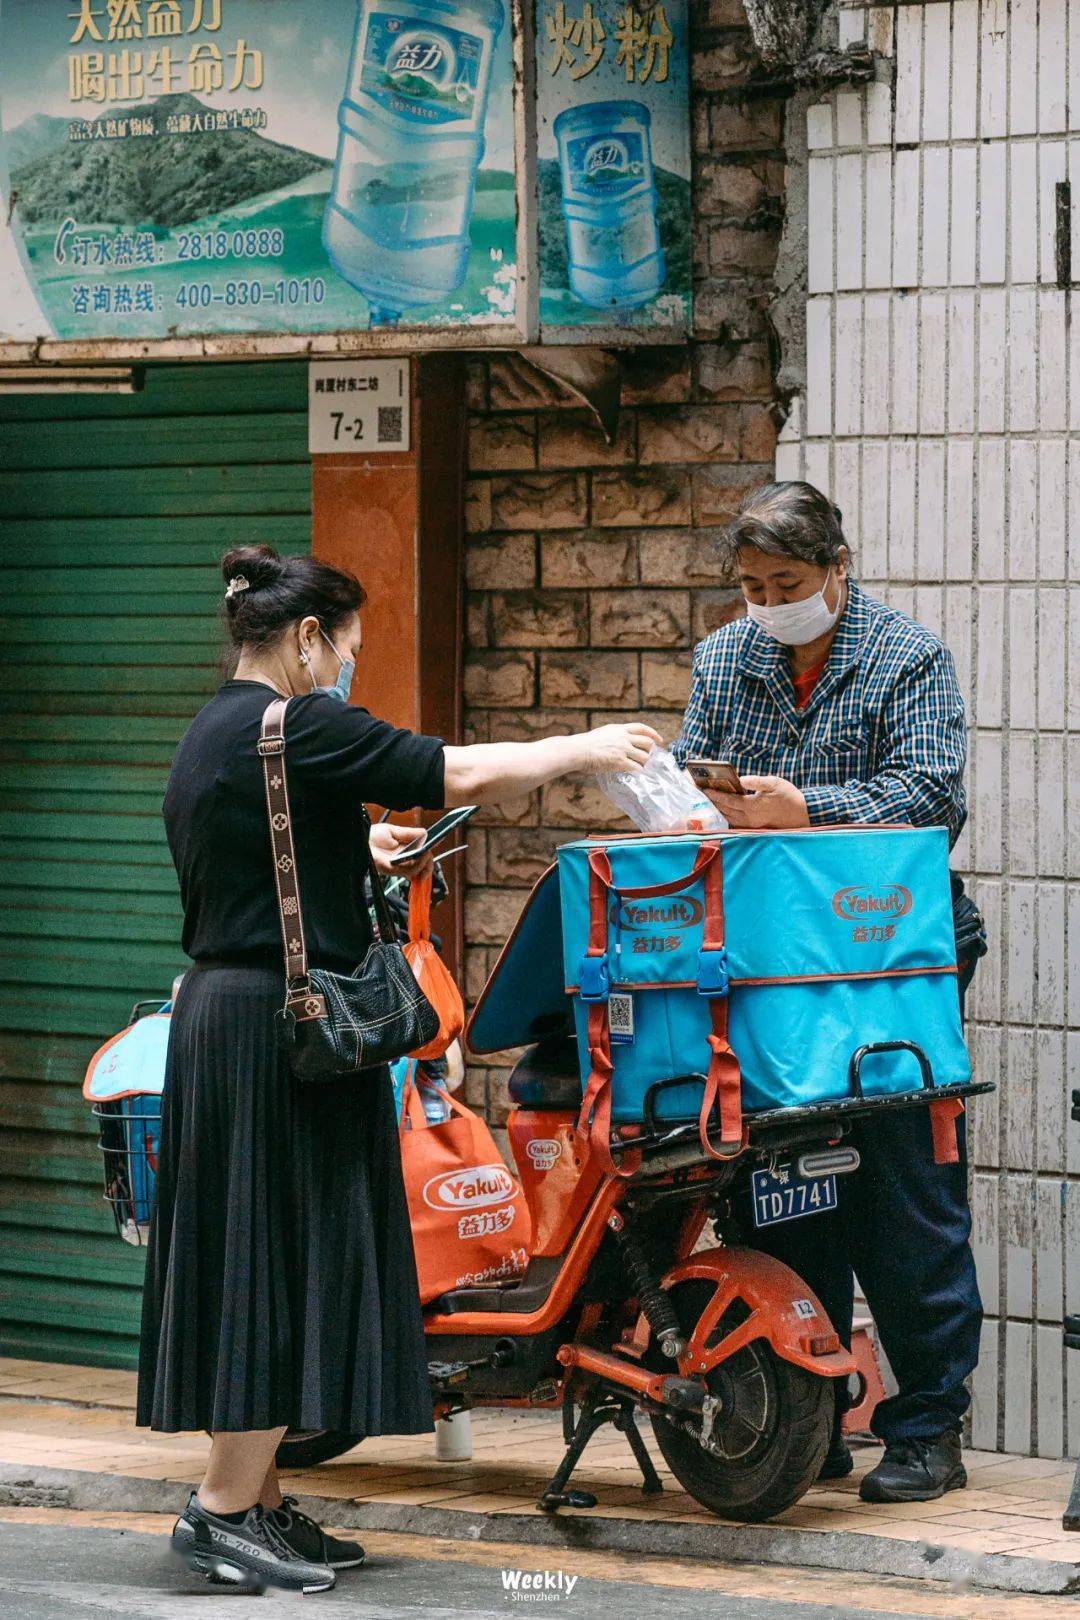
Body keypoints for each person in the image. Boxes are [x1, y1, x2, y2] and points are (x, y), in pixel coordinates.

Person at [138, 544, 659, 1594]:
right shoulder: (302, 724)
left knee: (267, 1252)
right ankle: (221, 1512)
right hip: (280, 1038)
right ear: (304, 640)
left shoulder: (214, 731)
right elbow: (453, 771)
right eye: (348, 650)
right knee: (275, 1259)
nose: (348, 671)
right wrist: (583, 744)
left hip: (231, 1022)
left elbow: (249, 851)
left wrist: (351, 851)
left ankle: (263, 1501)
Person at [673, 481, 984, 1507]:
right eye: (754, 587)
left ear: (838, 569)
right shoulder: (724, 660)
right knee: (782, 1188)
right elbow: (689, 784)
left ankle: (927, 1427)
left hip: (889, 965)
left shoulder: (908, 658)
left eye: (790, 584)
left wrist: (806, 809)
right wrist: (687, 806)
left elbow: (932, 798)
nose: (769, 603)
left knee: (904, 1193)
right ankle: (810, 1416)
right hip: (768, 971)